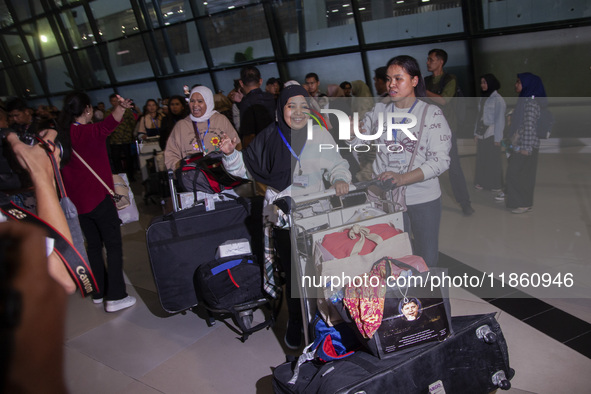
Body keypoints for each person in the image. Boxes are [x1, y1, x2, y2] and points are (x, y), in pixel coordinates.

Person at [220, 85, 351, 350]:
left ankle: (325, 319)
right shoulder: (268, 137)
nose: (299, 112)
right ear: (281, 109)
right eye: (292, 106)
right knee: (292, 273)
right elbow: (246, 167)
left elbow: (338, 164)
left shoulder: (319, 134)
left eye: (304, 105)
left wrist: (339, 178)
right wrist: (229, 154)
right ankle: (295, 318)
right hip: (278, 213)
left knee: (320, 270)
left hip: (315, 211)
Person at [350, 55, 451, 268]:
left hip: (423, 197)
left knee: (427, 257)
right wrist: (351, 133)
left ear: (414, 81)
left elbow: (441, 161)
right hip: (386, 199)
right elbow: (359, 142)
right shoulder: (379, 111)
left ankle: (425, 297)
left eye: (398, 78)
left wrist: (403, 178)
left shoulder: (431, 114)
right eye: (388, 79)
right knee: (392, 256)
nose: (391, 84)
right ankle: (402, 300)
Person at [58, 91, 137, 312]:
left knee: (93, 246)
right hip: (100, 199)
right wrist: (122, 107)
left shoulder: (62, 136)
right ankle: (116, 296)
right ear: (86, 109)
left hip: (78, 204)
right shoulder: (88, 132)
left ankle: (99, 291)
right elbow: (109, 124)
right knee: (113, 246)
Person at [424, 48, 474, 216]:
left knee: (454, 168)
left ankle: (465, 203)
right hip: (428, 130)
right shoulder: (425, 81)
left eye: (431, 59)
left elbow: (444, 100)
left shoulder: (450, 79)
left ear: (441, 62)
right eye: (428, 59)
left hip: (446, 130)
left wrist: (422, 91)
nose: (428, 62)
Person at [500, 72, 546, 214]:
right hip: (520, 144)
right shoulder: (524, 100)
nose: (516, 84)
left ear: (527, 84)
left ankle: (523, 203)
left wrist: (525, 148)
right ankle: (519, 202)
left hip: (526, 146)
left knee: (520, 175)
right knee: (518, 173)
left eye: (519, 82)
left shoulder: (531, 103)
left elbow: (529, 126)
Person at [164, 86, 240, 171]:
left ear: (208, 102)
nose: (195, 105)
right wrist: (181, 169)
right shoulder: (181, 126)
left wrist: (231, 162)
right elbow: (171, 154)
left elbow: (237, 144)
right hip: (193, 177)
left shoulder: (220, 120)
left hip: (221, 173)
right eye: (192, 101)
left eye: (200, 101)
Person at [474, 74, 506, 192]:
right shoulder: (483, 98)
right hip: (482, 132)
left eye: (485, 82)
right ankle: (482, 182)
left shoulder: (498, 100)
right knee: (482, 158)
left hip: (492, 132)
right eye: (481, 82)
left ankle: (496, 184)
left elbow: (500, 120)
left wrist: (498, 138)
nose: (482, 85)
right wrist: (476, 133)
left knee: (493, 160)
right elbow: (479, 116)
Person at [237, 66, 276, 145]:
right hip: (277, 140)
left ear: (241, 83)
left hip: (260, 146)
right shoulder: (271, 97)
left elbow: (248, 133)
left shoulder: (246, 103)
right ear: (260, 81)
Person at [105, 93, 138, 182]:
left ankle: (131, 176)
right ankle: (119, 177)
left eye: (116, 101)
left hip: (126, 138)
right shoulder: (108, 112)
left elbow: (132, 122)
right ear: (110, 102)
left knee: (129, 159)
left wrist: (131, 133)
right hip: (114, 140)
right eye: (113, 101)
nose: (115, 103)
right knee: (116, 159)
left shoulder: (127, 111)